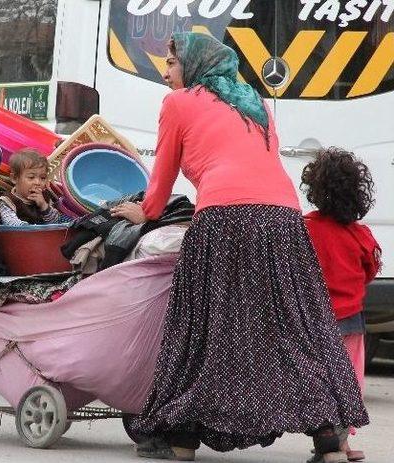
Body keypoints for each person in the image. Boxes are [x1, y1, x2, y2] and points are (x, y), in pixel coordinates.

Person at [110, 33, 367, 463]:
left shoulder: (179, 103)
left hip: (225, 218)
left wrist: (145, 212)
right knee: (298, 328)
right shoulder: (254, 103)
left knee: (207, 330)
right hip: (284, 219)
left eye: (171, 62)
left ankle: (180, 440)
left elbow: (161, 181)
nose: (165, 70)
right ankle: (329, 439)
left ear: (192, 66)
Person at [302, 148, 381, 463]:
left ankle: (329, 445)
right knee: (349, 383)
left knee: (318, 381)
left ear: (315, 191)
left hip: (312, 321)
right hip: (349, 321)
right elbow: (371, 270)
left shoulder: (305, 227)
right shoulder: (361, 234)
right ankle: (341, 445)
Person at [0, 148, 70, 226]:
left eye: (43, 178)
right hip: (22, 236)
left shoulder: (45, 197)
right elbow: (11, 223)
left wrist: (44, 206)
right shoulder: (7, 201)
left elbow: (56, 222)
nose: (37, 183)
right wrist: (31, 228)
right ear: (15, 178)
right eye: (31, 177)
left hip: (46, 236)